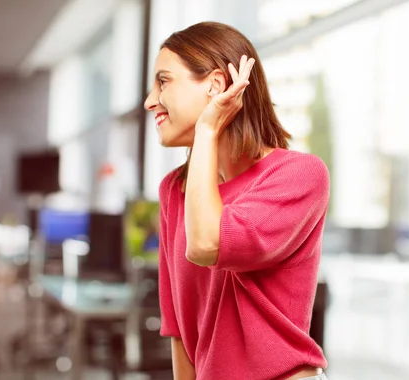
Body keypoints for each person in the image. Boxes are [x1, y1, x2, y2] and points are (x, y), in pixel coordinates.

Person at [144, 21, 330, 380]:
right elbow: (179, 328)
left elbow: (206, 244)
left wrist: (208, 129)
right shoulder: (174, 191)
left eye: (163, 81)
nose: (151, 100)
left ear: (215, 86)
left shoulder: (299, 175)